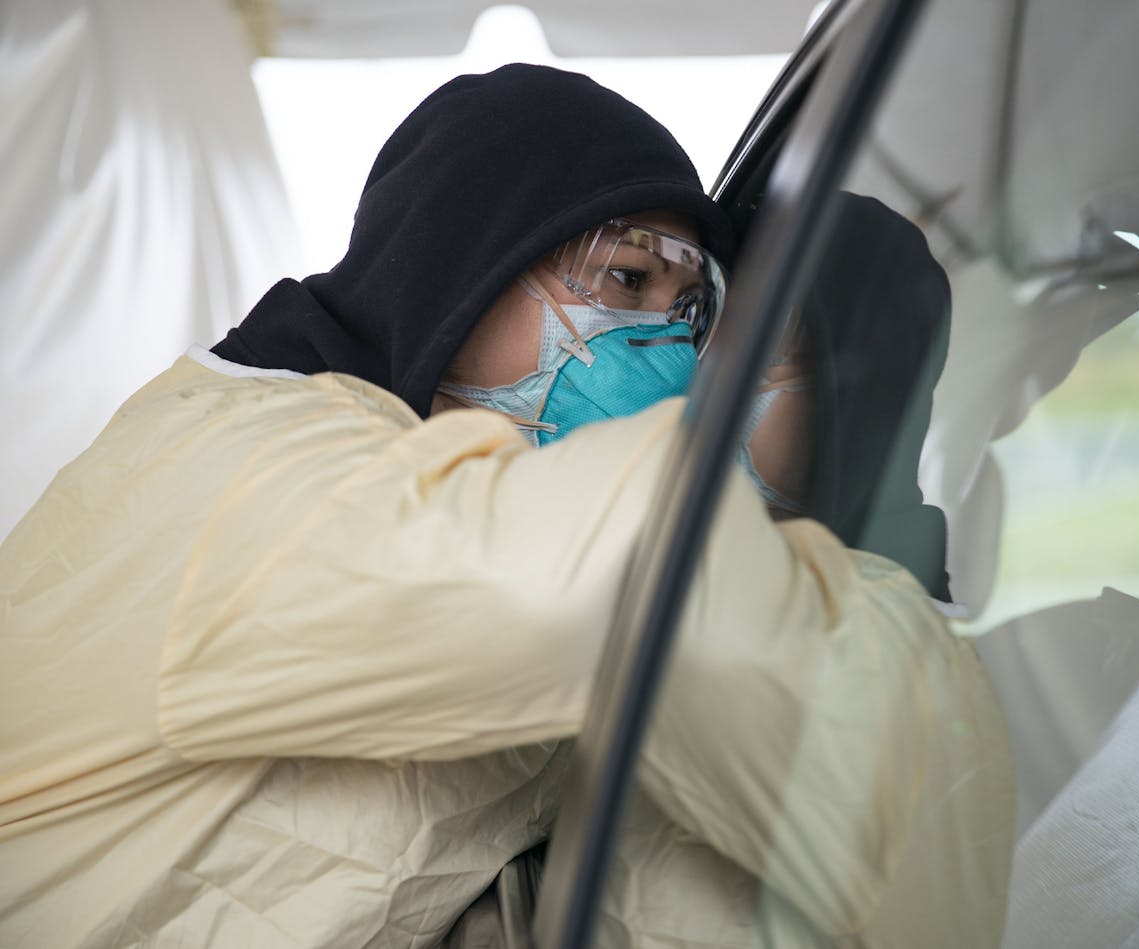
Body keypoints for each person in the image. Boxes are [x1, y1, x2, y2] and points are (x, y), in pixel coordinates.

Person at [0, 65, 1012, 947]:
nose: (673, 362)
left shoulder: (447, 537)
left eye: (689, 315)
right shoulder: (252, 465)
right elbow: (594, 585)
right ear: (463, 263)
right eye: (625, 279)